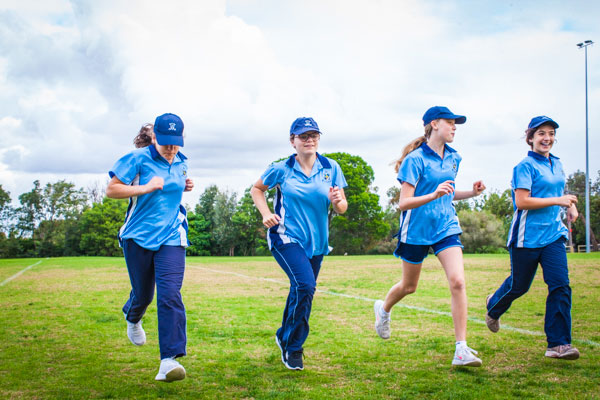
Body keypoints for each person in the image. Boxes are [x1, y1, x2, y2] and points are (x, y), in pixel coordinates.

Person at [373, 106, 486, 367]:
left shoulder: (454, 157)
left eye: (456, 123)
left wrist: (471, 193)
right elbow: (403, 203)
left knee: (458, 281)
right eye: (450, 122)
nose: (454, 127)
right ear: (434, 124)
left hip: (446, 225)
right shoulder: (415, 160)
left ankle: (461, 349)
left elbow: (447, 192)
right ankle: (384, 309)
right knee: (409, 287)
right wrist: (433, 194)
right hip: (416, 230)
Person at [250, 117, 348, 371]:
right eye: (303, 136)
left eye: (314, 135)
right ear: (293, 141)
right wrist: (265, 214)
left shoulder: (331, 167)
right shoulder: (281, 168)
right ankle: (293, 348)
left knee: (300, 289)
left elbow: (342, 208)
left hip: (317, 242)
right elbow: (256, 190)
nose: (309, 140)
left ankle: (284, 335)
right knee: (305, 285)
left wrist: (337, 200)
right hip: (285, 237)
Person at [106, 113, 194, 382]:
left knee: (169, 294)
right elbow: (112, 189)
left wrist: (185, 186)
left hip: (172, 236)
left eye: (175, 143)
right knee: (143, 295)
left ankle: (169, 360)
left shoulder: (181, 162)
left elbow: (173, 187)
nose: (171, 149)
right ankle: (133, 316)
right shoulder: (136, 159)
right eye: (166, 143)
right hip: (137, 236)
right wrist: (146, 187)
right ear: (154, 137)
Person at [485, 116, 580, 360]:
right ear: (531, 138)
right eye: (541, 134)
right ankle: (494, 306)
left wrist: (569, 206)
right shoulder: (524, 167)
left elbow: (559, 192)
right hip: (526, 238)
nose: (547, 138)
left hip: (552, 236)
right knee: (519, 286)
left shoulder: (557, 164)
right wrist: (559, 201)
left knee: (560, 285)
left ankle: (558, 345)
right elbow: (522, 201)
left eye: (550, 133)